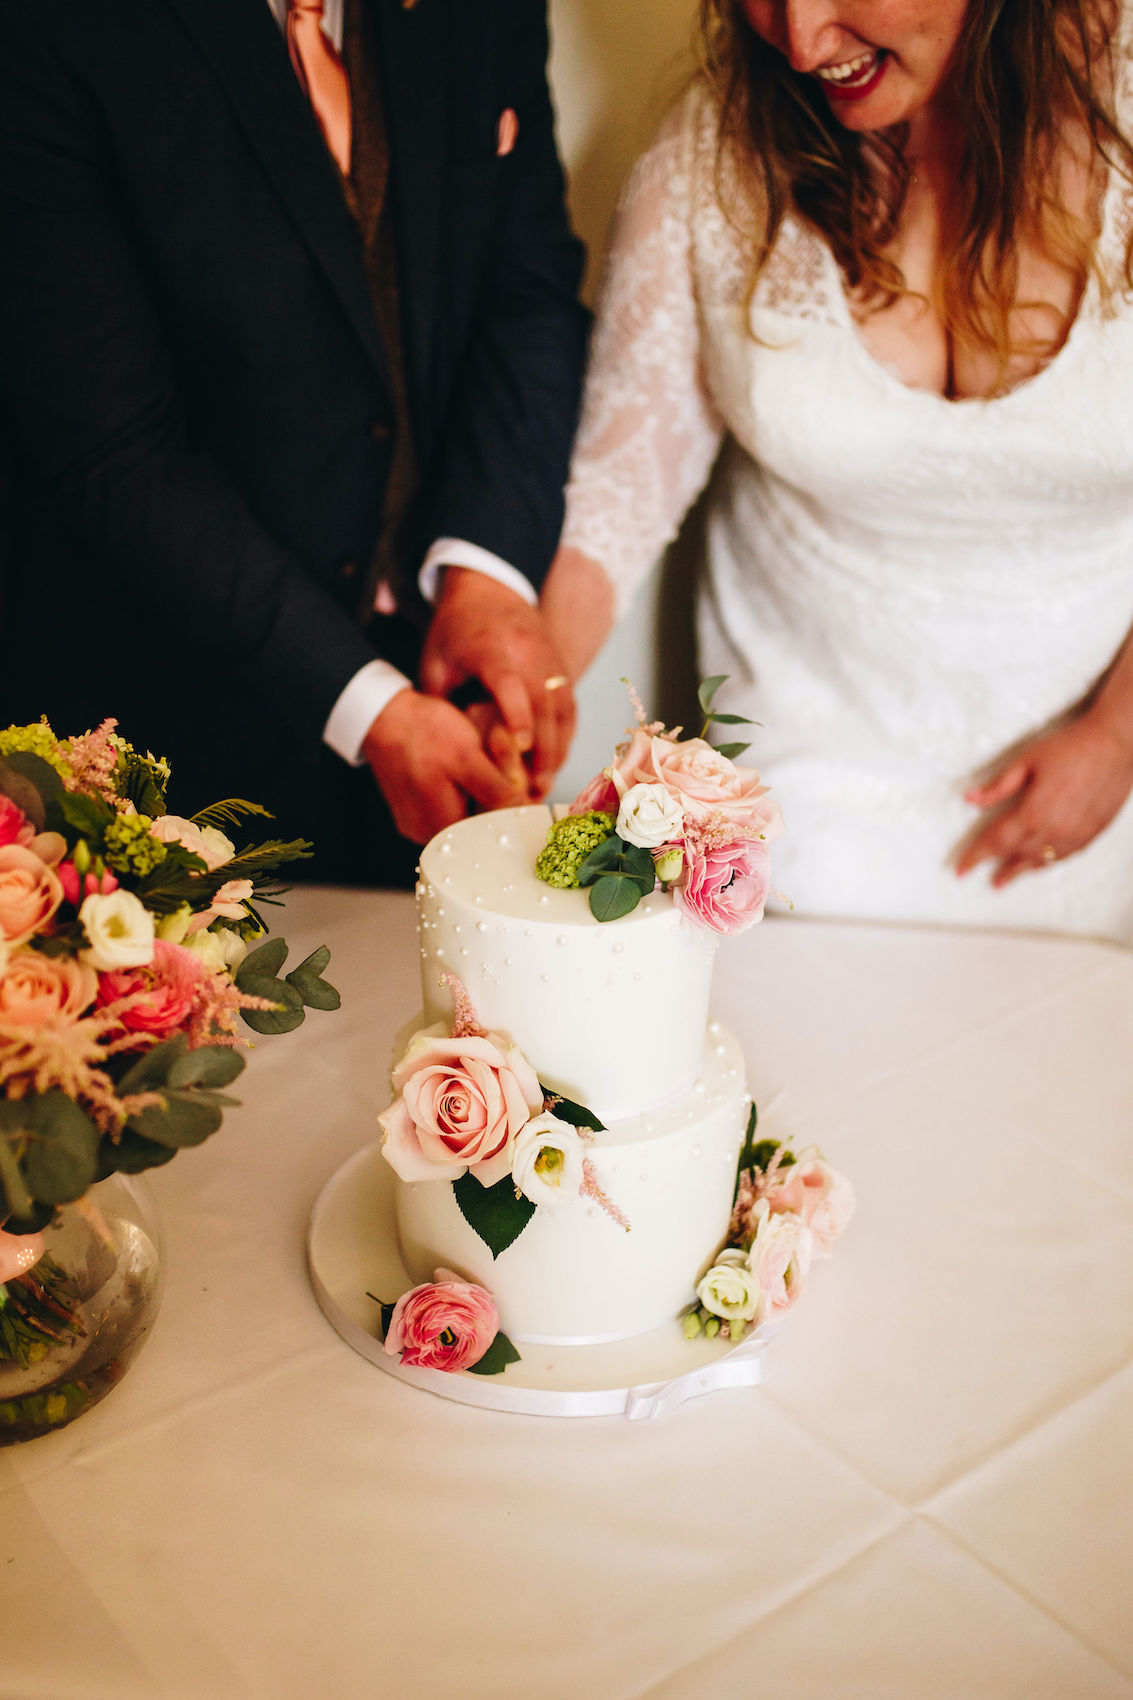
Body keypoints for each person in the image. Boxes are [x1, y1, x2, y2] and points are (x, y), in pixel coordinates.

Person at [540, 0, 1133, 943]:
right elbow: (612, 502)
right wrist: (522, 713)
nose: (802, 40)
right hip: (788, 824)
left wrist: (1116, 740)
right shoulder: (715, 148)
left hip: (1099, 799)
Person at [0, 0, 588, 884]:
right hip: (151, 747)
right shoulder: (50, 28)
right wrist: (369, 707)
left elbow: (530, 295)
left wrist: (485, 578)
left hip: (434, 711)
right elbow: (112, 447)